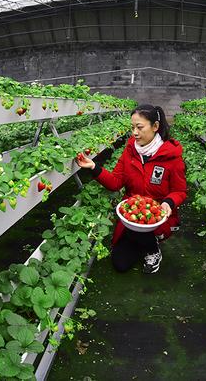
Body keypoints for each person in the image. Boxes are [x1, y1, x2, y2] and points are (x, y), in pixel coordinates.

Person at [75, 104, 187, 273]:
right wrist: (94, 167)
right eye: (133, 127)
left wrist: (168, 203)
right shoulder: (130, 151)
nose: (134, 132)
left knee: (141, 231)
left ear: (155, 127)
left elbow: (180, 191)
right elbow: (115, 182)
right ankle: (140, 241)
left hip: (157, 216)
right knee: (120, 263)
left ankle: (152, 249)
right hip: (132, 214)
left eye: (139, 127)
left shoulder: (171, 157)